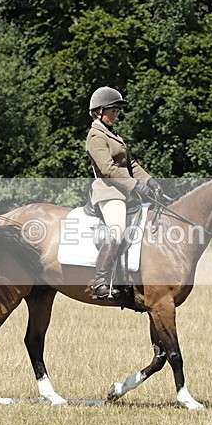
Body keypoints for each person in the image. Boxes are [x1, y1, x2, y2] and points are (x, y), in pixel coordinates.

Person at [85, 86, 166, 299]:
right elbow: (108, 169)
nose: (116, 113)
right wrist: (135, 185)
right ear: (99, 110)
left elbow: (131, 164)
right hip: (109, 192)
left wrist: (149, 181)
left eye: (117, 110)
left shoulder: (113, 135)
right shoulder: (96, 136)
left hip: (125, 191)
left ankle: (127, 278)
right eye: (112, 109)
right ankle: (100, 282)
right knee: (118, 229)